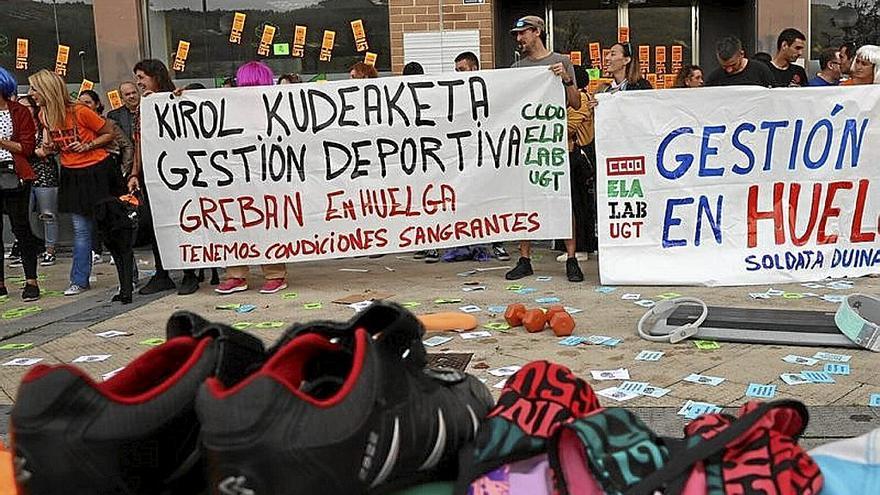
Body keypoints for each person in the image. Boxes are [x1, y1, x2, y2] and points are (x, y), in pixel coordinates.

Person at [28, 69, 131, 300]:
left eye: (35, 88)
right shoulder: (45, 115)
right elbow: (54, 143)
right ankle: (79, 279)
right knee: (81, 229)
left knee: (112, 226)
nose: (32, 93)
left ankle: (128, 277)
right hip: (72, 173)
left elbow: (110, 132)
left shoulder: (79, 111)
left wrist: (88, 145)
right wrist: (52, 148)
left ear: (47, 90)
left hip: (97, 171)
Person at [505, 15, 583, 283]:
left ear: (537, 32)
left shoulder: (562, 62)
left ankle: (571, 258)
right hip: (529, 145)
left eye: (523, 33)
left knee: (563, 200)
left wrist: (566, 80)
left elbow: (574, 103)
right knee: (525, 201)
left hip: (556, 145)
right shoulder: (517, 67)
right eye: (517, 35)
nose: (519, 39)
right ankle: (524, 258)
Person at [215, 61, 288, 296]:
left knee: (269, 222)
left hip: (269, 177)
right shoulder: (228, 108)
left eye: (254, 85)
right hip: (236, 176)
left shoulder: (280, 108)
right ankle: (236, 275)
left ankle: (274, 273)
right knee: (235, 222)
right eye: (246, 85)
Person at [129, 59, 200, 295]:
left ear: (156, 76)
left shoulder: (177, 99)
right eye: (137, 77)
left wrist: (181, 99)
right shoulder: (143, 106)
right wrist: (134, 173)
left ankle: (190, 273)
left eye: (142, 77)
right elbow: (138, 142)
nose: (138, 82)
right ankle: (162, 273)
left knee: (183, 222)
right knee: (157, 224)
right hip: (152, 175)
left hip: (178, 172)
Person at [0, 67, 41, 301]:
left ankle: (31, 281)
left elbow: (26, 148)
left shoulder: (19, 111)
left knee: (21, 227)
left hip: (14, 173)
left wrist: (2, 142)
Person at [20, 95, 59, 267]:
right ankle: (29, 249)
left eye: (26, 107)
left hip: (45, 174)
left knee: (48, 214)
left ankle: (50, 250)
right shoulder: (18, 128)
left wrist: (28, 151)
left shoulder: (45, 125)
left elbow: (48, 150)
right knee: (23, 215)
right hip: (24, 175)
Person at [564, 65, 598, 262]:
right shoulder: (581, 98)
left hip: (579, 155)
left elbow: (570, 127)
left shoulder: (582, 99)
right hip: (575, 154)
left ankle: (582, 247)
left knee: (579, 203)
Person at [705, 37, 774, 87]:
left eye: (733, 64)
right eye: (724, 66)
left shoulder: (760, 71)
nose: (729, 70)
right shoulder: (714, 78)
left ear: (741, 54)